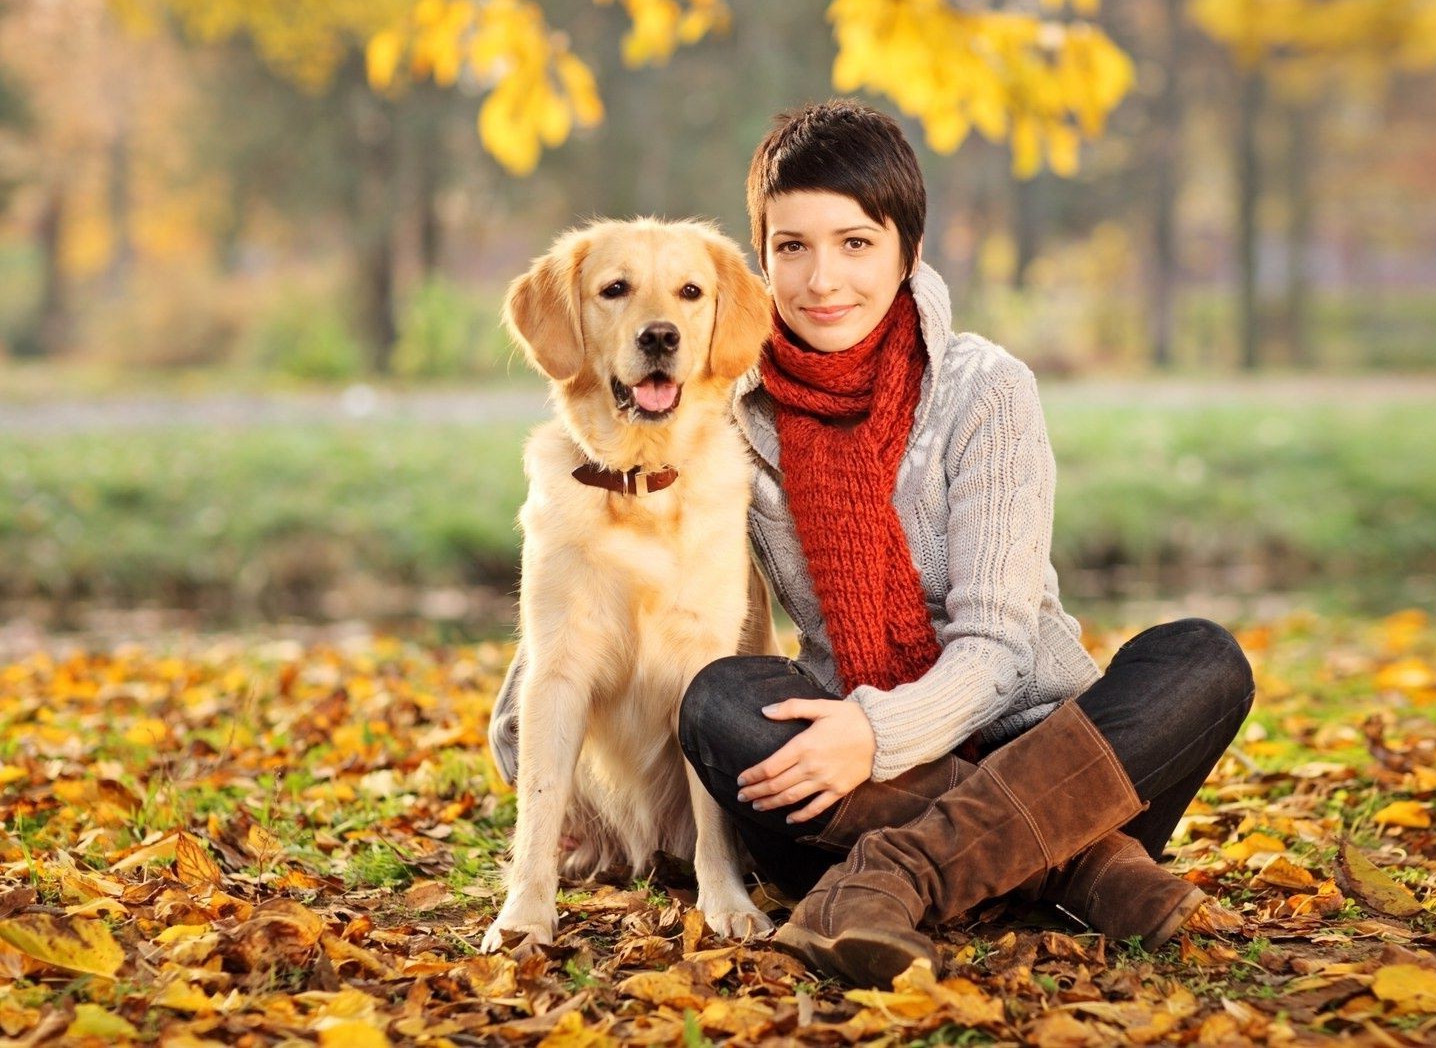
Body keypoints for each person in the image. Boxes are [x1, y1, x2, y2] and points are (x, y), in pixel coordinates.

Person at [490, 99, 1254, 988]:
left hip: (1030, 746)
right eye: (793, 248)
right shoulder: (726, 414)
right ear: (765, 261)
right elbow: (597, 623)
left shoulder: (985, 391)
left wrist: (877, 733)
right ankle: (1082, 869)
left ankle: (896, 881)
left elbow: (1001, 648)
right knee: (722, 702)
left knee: (1200, 660)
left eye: (855, 243)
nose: (822, 281)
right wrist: (536, 738)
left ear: (908, 253)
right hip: (849, 790)